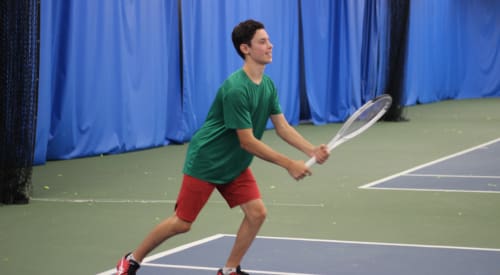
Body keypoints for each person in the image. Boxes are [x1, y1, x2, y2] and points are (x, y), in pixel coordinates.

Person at [116, 19, 329, 275]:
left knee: (256, 213)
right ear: (245, 49)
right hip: (208, 160)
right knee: (182, 223)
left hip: (234, 163)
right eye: (262, 42)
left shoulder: (268, 86)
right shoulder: (236, 89)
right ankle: (131, 260)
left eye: (269, 40)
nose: (270, 46)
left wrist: (310, 151)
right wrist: (288, 164)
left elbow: (282, 127)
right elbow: (247, 141)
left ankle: (229, 270)